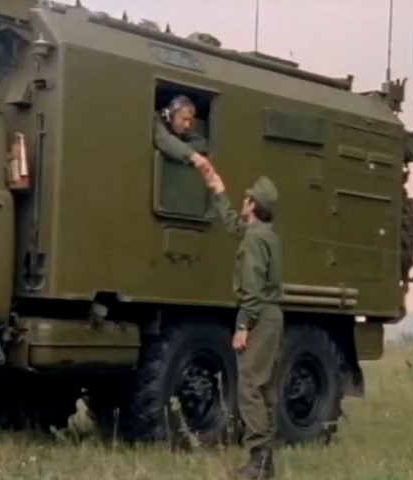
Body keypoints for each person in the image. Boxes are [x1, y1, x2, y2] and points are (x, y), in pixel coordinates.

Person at [203, 171, 284, 480]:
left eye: (246, 199)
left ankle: (258, 461)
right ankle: (265, 462)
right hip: (272, 314)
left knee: (250, 386)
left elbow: (251, 287)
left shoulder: (254, 241)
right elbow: (235, 225)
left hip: (258, 314)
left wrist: (242, 326)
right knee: (265, 387)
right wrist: (219, 191)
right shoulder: (265, 234)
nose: (243, 202)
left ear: (253, 205)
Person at [153, 95, 214, 177]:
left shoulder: (181, 131)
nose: (187, 125)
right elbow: (163, 140)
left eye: (189, 120)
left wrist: (180, 148)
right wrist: (192, 155)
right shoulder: (156, 122)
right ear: (169, 116)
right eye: (184, 119)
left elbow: (202, 144)